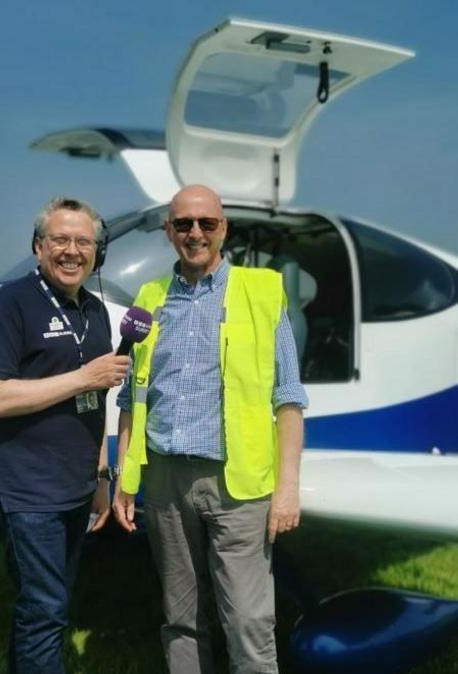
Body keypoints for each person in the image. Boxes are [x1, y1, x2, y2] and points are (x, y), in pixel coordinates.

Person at [112, 184, 308, 673]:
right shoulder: (149, 299)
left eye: (206, 223)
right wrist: (122, 476)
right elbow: (131, 397)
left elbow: (289, 399)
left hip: (236, 486)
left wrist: (287, 489)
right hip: (163, 482)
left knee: (247, 622)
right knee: (180, 620)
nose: (195, 233)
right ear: (168, 232)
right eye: (183, 224)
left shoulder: (262, 292)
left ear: (224, 228)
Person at [0, 196, 129, 673]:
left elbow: (94, 406)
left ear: (97, 253)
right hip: (27, 491)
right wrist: (84, 377)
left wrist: (101, 478)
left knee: (45, 609)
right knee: (46, 611)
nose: (72, 251)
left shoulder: (96, 313)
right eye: (60, 240)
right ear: (39, 247)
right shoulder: (9, 304)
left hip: (76, 489)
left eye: (83, 242)